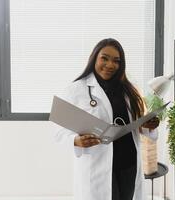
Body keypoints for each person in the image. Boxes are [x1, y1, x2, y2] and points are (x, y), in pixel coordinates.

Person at [54, 38, 160, 200]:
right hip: (99, 166)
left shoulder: (128, 90)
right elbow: (58, 132)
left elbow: (137, 125)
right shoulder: (75, 90)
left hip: (128, 164)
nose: (110, 65)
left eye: (116, 61)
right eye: (105, 58)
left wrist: (149, 125)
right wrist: (76, 141)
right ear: (94, 58)